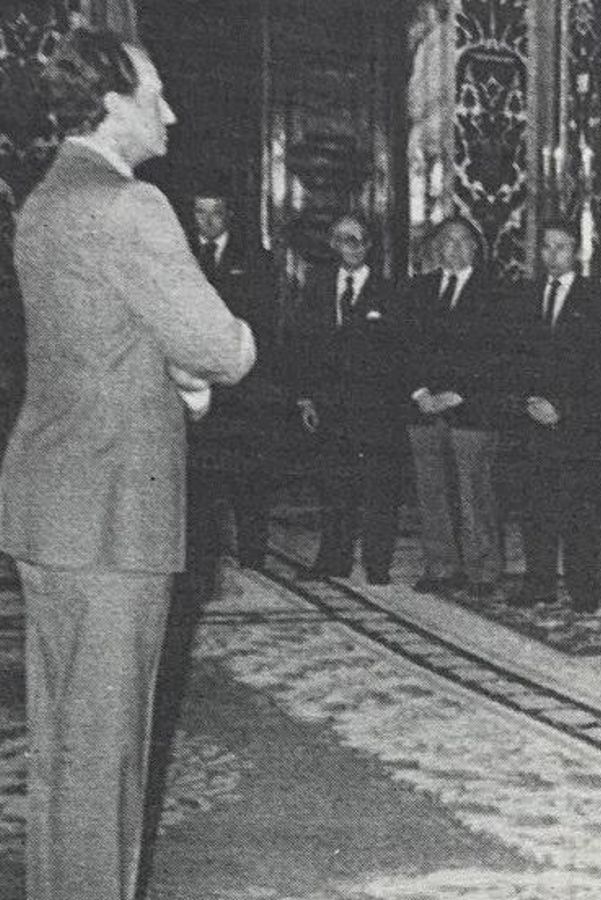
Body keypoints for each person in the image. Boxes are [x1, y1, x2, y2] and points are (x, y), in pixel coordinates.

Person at [0, 30, 256, 900]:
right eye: (155, 93)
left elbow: (97, 337)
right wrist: (216, 357)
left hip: (50, 502)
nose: (170, 111)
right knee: (105, 754)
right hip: (112, 513)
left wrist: (164, 369)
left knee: (64, 748)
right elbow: (218, 345)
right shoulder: (129, 204)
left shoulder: (42, 199)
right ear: (111, 102)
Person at [290, 213, 410, 585]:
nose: (352, 247)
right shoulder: (317, 285)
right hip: (330, 406)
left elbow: (400, 354)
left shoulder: (390, 292)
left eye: (359, 240)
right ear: (333, 244)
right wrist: (306, 397)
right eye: (344, 239)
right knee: (334, 486)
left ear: (370, 246)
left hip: (376, 409)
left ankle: (378, 565)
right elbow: (302, 344)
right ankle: (332, 560)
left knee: (378, 490)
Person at [509, 219, 601, 611]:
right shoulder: (525, 295)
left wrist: (564, 409)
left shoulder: (599, 298)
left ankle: (584, 588)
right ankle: (538, 582)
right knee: (536, 507)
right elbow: (515, 358)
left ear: (578, 253)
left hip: (577, 423)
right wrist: (529, 402)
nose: (553, 255)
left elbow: (598, 366)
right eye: (547, 247)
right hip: (532, 419)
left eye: (562, 247)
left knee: (580, 510)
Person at [405, 216, 506, 597]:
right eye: (448, 241)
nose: (456, 248)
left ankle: (482, 570)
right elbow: (404, 347)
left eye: (464, 241)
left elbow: (497, 354)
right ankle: (441, 566)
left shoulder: (495, 293)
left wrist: (460, 393)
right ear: (435, 249)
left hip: (472, 409)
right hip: (423, 406)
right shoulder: (417, 291)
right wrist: (420, 394)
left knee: (473, 490)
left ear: (476, 250)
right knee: (431, 490)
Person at [186, 186, 279, 573]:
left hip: (242, 385)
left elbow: (263, 323)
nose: (207, 222)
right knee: (200, 476)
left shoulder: (255, 259)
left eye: (216, 212)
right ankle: (202, 554)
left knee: (247, 475)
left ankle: (253, 554)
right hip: (194, 382)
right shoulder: (180, 256)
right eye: (200, 212)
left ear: (229, 215)